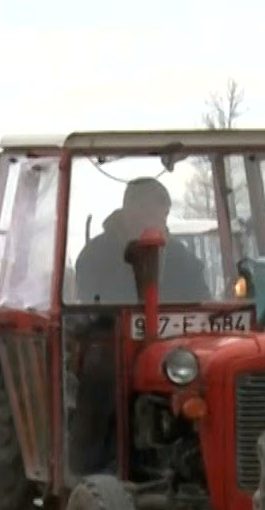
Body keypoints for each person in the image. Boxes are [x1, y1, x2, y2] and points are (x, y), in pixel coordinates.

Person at [67, 177, 213, 476]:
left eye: (159, 214)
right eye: (144, 213)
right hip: (113, 339)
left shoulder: (183, 259)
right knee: (102, 369)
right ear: (127, 211)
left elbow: (202, 302)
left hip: (176, 346)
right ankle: (93, 465)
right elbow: (90, 306)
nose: (153, 220)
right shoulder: (96, 255)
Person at [71, 177, 210, 305]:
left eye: (162, 216)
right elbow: (88, 317)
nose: (155, 223)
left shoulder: (181, 258)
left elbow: (203, 308)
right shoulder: (94, 257)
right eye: (147, 214)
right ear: (127, 212)